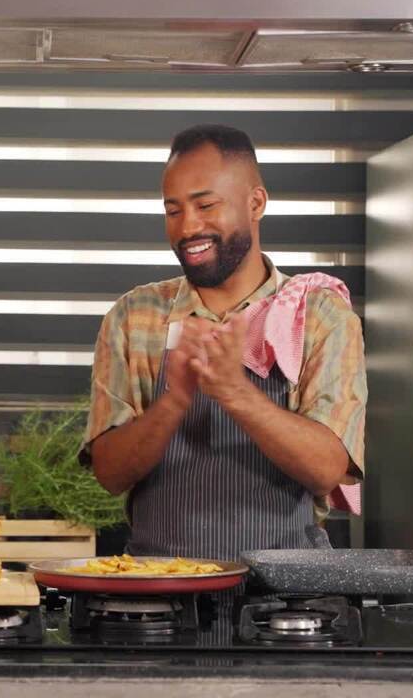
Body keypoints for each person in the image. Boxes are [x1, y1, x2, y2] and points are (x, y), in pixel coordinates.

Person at [82, 124, 366, 559]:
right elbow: (110, 474)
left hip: (284, 601)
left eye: (206, 205)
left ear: (256, 203)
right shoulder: (134, 316)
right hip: (159, 595)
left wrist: (235, 393)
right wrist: (174, 402)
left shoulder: (319, 314)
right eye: (173, 210)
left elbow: (327, 469)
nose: (187, 227)